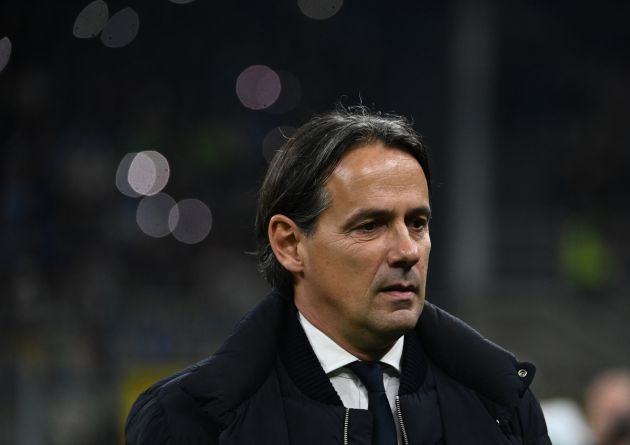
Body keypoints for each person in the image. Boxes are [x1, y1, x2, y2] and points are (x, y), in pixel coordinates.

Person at [125, 106, 551, 444]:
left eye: (417, 223)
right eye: (370, 226)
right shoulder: (187, 422)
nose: (407, 250)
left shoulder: (504, 406)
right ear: (290, 244)